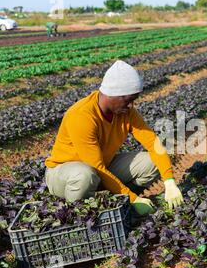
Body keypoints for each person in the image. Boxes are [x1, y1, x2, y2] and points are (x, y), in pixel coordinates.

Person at [44, 60, 184, 216]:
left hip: (100, 169)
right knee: (84, 175)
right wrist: (132, 198)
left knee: (152, 163)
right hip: (65, 175)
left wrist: (169, 181)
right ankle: (77, 216)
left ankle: (119, 203)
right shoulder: (82, 116)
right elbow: (96, 167)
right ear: (113, 95)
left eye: (134, 100)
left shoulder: (126, 113)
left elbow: (153, 143)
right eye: (128, 100)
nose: (131, 105)